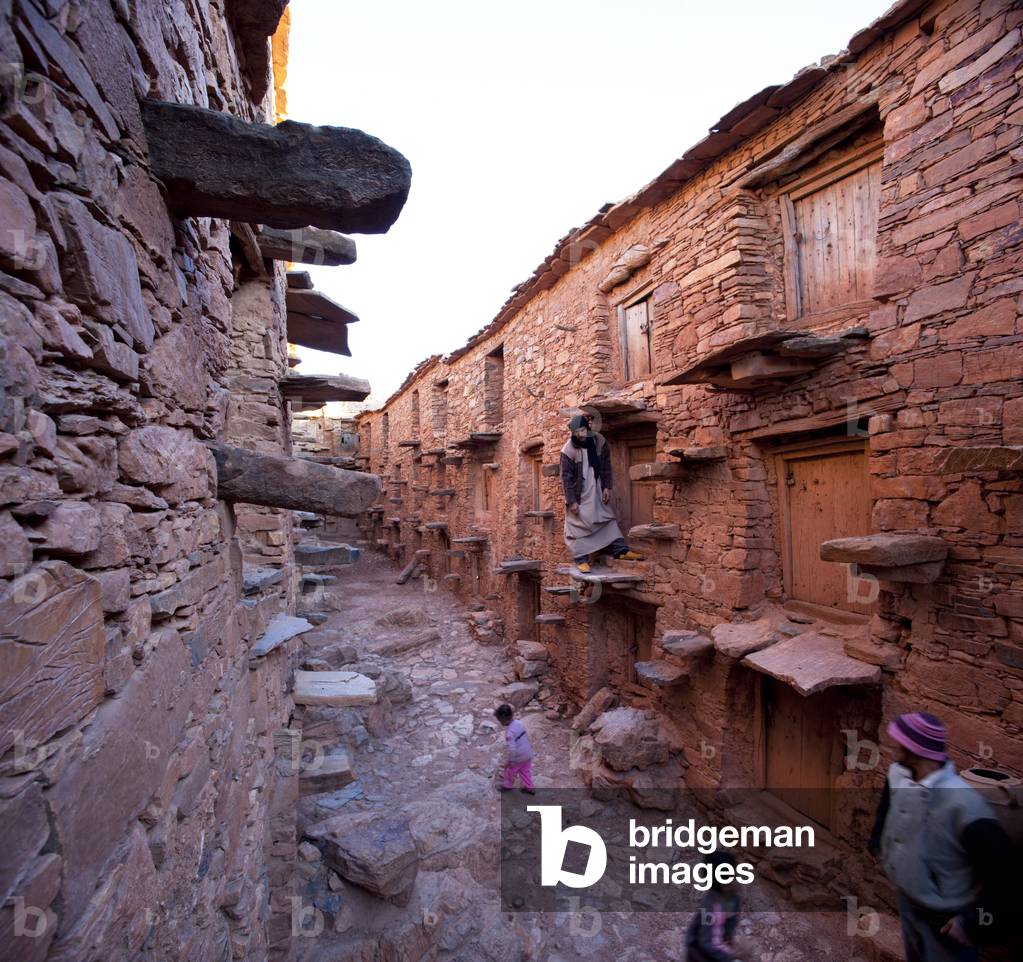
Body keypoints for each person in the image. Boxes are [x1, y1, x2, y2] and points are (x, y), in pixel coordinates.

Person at [869, 712, 1012, 962]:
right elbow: (886, 813)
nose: (892, 743)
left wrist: (972, 923)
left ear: (915, 750)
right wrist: (879, 846)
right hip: (908, 900)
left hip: (945, 919)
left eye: (899, 740)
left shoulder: (965, 806)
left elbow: (1005, 878)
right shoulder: (898, 776)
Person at [559, 414, 643, 573]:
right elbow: (566, 478)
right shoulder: (568, 449)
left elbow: (605, 466)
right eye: (577, 432)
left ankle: (621, 551)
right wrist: (572, 501)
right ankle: (581, 559)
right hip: (579, 493)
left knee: (606, 518)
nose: (581, 435)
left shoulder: (599, 441)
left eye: (583, 430)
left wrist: (606, 487)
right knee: (576, 526)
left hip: (596, 488)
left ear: (588, 428)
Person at [685, 852, 745, 961]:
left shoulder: (731, 899)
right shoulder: (713, 907)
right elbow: (708, 942)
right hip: (703, 955)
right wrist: (730, 958)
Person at [495, 703, 535, 794]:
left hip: (519, 756)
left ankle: (507, 785)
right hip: (528, 752)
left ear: (503, 720)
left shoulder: (509, 733)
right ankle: (529, 787)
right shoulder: (519, 723)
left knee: (510, 771)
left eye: (500, 721)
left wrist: (510, 761)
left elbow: (512, 749)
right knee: (525, 770)